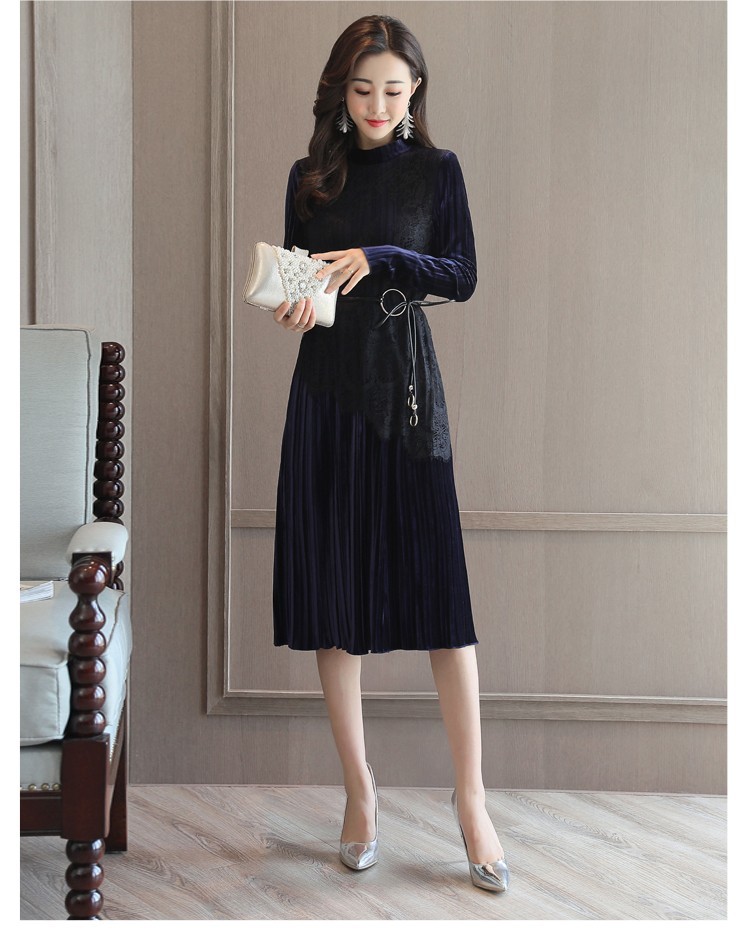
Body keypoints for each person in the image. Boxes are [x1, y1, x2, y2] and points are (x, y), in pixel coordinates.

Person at [270, 14, 509, 893]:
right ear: (342, 93)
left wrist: (380, 256)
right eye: (364, 89)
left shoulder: (438, 173)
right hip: (327, 398)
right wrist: (295, 302)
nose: (378, 105)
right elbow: (301, 284)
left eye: (394, 90)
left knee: (443, 607)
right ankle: (359, 793)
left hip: (408, 400)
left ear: (415, 95)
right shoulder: (309, 178)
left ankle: (471, 800)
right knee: (337, 605)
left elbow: (462, 275)